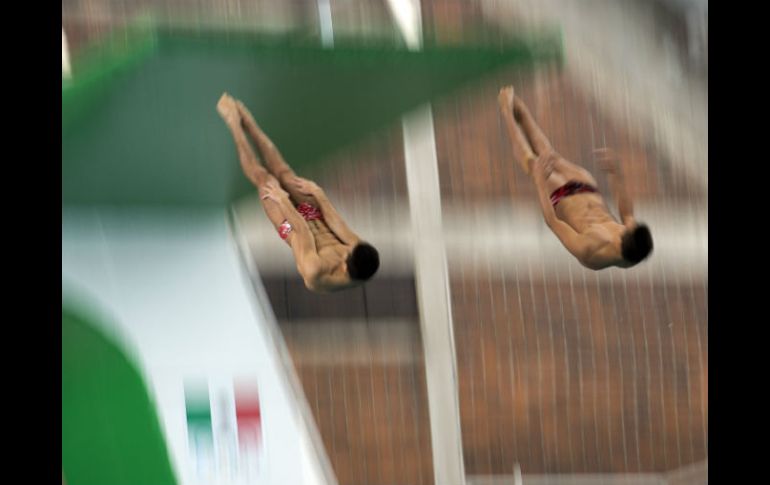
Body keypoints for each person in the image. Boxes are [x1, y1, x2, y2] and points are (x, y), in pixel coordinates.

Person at [217, 93, 379, 291]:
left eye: (348, 254)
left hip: (291, 229)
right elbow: (339, 226)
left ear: (345, 267)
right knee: (284, 173)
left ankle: (233, 122)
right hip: (316, 219)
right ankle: (249, 122)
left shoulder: (315, 272)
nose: (348, 249)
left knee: (265, 179)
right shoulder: (361, 259)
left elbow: (301, 231)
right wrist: (319, 194)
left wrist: (282, 199)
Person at [498, 86, 652, 269]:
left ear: (623, 243)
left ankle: (506, 110)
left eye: (628, 229)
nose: (629, 225)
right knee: (549, 155)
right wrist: (617, 175)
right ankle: (521, 111)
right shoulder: (633, 243)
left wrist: (540, 182)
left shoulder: (589, 251)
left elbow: (553, 223)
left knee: (534, 164)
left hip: (562, 197)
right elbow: (627, 214)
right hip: (587, 188)